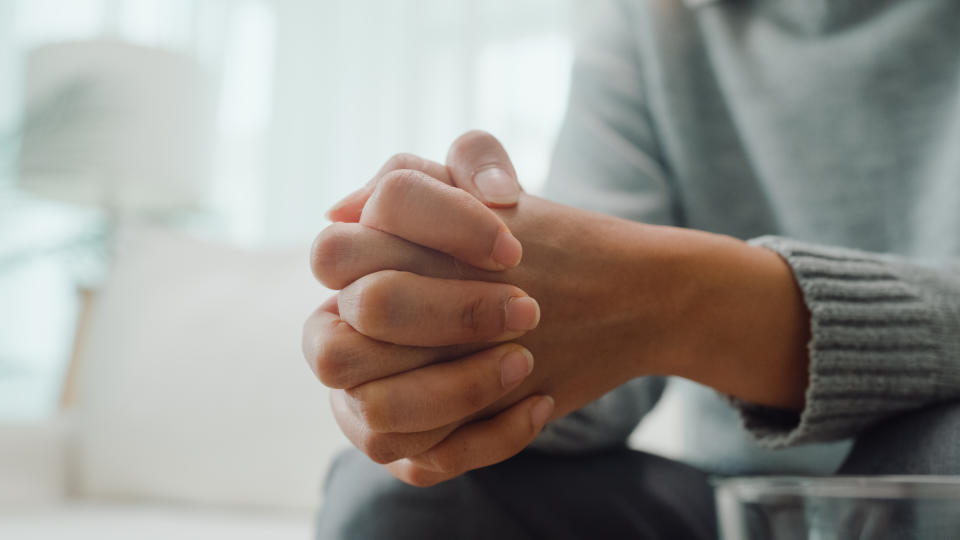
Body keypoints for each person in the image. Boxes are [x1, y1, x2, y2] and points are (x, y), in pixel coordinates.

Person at [303, 0, 960, 538]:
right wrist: (462, 349)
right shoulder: (649, 26)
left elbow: (638, 297)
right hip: (743, 508)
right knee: (398, 504)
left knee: (935, 456)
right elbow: (593, 346)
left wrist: (684, 302)